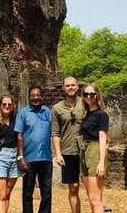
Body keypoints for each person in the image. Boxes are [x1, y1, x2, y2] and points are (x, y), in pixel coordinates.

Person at [15, 85, 52, 213]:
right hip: (29, 159)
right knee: (27, 193)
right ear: (29, 97)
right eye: (33, 95)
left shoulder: (48, 112)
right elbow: (19, 136)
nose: (35, 98)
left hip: (46, 158)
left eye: (38, 95)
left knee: (46, 192)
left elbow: (55, 133)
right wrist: (20, 157)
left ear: (42, 96)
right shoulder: (23, 112)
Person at [51, 76, 85, 213]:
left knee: (91, 186)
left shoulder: (85, 103)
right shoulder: (56, 108)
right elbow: (55, 132)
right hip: (68, 151)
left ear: (77, 86)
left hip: (85, 150)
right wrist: (58, 154)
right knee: (74, 187)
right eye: (68, 85)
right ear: (63, 88)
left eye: (73, 85)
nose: (70, 88)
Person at [80, 84, 109, 213]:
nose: (89, 96)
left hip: (95, 151)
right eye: (86, 94)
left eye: (92, 94)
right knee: (93, 197)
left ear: (97, 95)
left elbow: (103, 138)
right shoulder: (86, 114)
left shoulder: (101, 114)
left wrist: (101, 163)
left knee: (94, 199)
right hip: (84, 152)